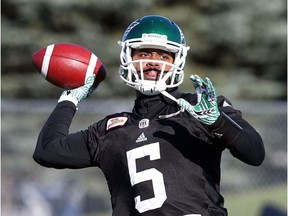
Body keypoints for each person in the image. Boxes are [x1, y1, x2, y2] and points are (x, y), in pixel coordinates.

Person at [33, 15, 265, 216]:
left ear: (178, 61)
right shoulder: (110, 129)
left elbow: (255, 153)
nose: (153, 63)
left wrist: (217, 120)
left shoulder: (201, 107)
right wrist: (70, 99)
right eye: (144, 53)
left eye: (164, 56)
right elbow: (48, 150)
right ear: (127, 57)